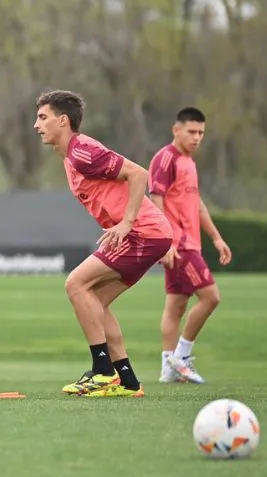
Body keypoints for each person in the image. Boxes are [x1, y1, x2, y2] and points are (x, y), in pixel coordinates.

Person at [33, 90, 174, 398]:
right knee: (94, 298)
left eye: (42, 117)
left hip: (142, 234)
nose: (36, 125)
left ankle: (102, 370)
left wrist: (126, 222)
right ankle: (127, 380)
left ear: (63, 120)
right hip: (150, 234)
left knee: (76, 284)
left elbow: (139, 174)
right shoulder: (71, 157)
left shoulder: (82, 151)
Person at [148, 107, 232, 385]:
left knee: (176, 305)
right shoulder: (165, 158)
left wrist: (216, 237)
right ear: (176, 130)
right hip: (179, 245)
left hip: (190, 243)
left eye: (201, 133)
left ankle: (167, 369)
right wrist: (167, 241)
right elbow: (156, 201)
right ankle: (181, 358)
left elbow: (196, 204)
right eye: (191, 132)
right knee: (211, 297)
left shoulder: (188, 161)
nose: (197, 138)